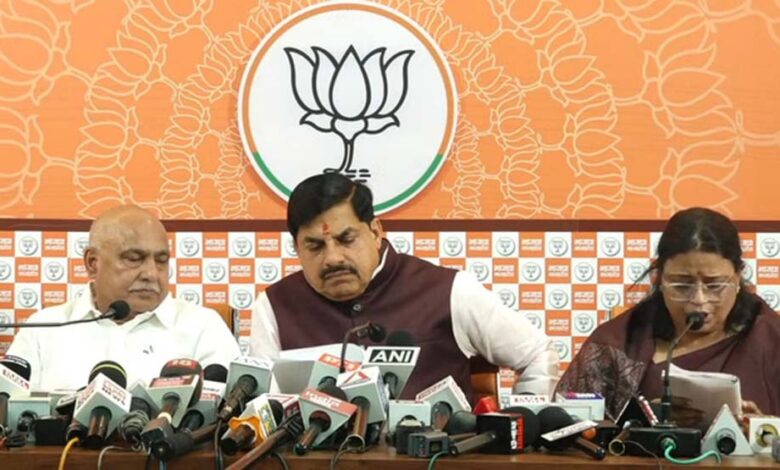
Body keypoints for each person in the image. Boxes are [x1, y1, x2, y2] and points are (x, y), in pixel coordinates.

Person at [249, 173, 559, 401]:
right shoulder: (275, 306)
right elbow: (261, 405)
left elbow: (536, 353)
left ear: (375, 232)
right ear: (297, 248)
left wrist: (521, 425)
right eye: (315, 246)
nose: (333, 258)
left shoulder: (449, 291)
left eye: (346, 239)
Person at [557, 207, 780, 423]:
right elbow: (564, 428)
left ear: (738, 277)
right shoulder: (618, 343)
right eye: (682, 285)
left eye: (714, 285)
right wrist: (646, 420)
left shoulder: (771, 339)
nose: (699, 300)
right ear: (659, 278)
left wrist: (764, 430)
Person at [7, 205, 240, 390]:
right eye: (134, 259)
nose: (151, 274)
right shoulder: (45, 328)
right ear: (92, 263)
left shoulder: (203, 326)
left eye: (161, 261)